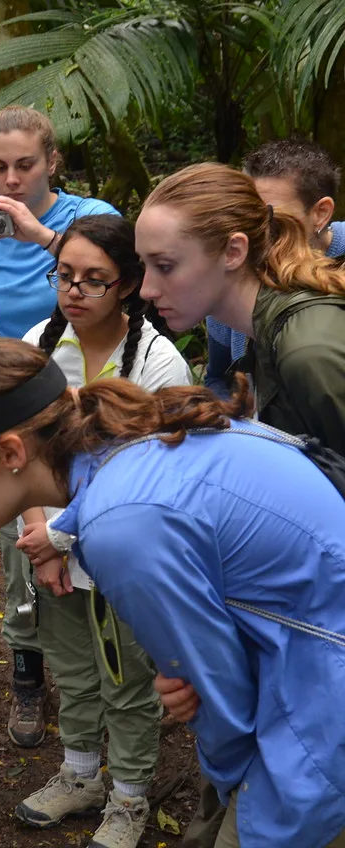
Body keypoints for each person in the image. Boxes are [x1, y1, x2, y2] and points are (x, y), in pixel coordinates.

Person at [0, 338, 345, 848]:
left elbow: (223, 705)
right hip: (298, 667)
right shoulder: (130, 449)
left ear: (10, 451)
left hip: (318, 716)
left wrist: (232, 773)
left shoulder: (121, 527)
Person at [135, 160, 345, 845]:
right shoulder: (263, 336)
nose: (146, 289)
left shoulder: (311, 349)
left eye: (165, 266)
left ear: (232, 253)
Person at [12, 215, 190, 847]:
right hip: (44, 539)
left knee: (127, 671)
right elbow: (23, 453)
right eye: (65, 276)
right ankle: (81, 774)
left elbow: (156, 469)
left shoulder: (156, 359)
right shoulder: (39, 342)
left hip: (123, 546)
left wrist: (65, 536)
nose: (75, 292)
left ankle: (131, 798)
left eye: (94, 280)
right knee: (72, 662)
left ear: (128, 285)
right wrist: (42, 538)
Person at [0, 104, 119, 747]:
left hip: (87, 409)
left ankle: (113, 677)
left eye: (26, 165)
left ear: (52, 162)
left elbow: (116, 280)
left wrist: (38, 235)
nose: (13, 179)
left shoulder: (88, 219)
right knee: (22, 545)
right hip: (12, 409)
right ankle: (28, 675)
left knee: (91, 533)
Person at [205, 139, 345, 396]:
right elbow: (218, 377)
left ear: (321, 213)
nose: (253, 231)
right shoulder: (233, 276)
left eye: (271, 218)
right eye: (245, 215)